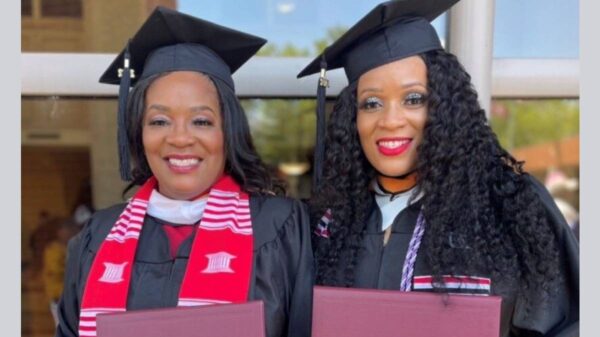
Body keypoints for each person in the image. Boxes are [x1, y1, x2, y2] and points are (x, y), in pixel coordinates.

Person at [298, 1, 579, 336]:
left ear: (446, 107)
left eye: (413, 99)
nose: (390, 120)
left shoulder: (508, 206)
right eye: (371, 103)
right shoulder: (330, 221)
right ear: (352, 119)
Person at [56, 7, 313, 337]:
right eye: (159, 121)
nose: (179, 138)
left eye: (201, 121)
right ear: (139, 132)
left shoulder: (280, 227)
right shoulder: (97, 236)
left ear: (228, 131)